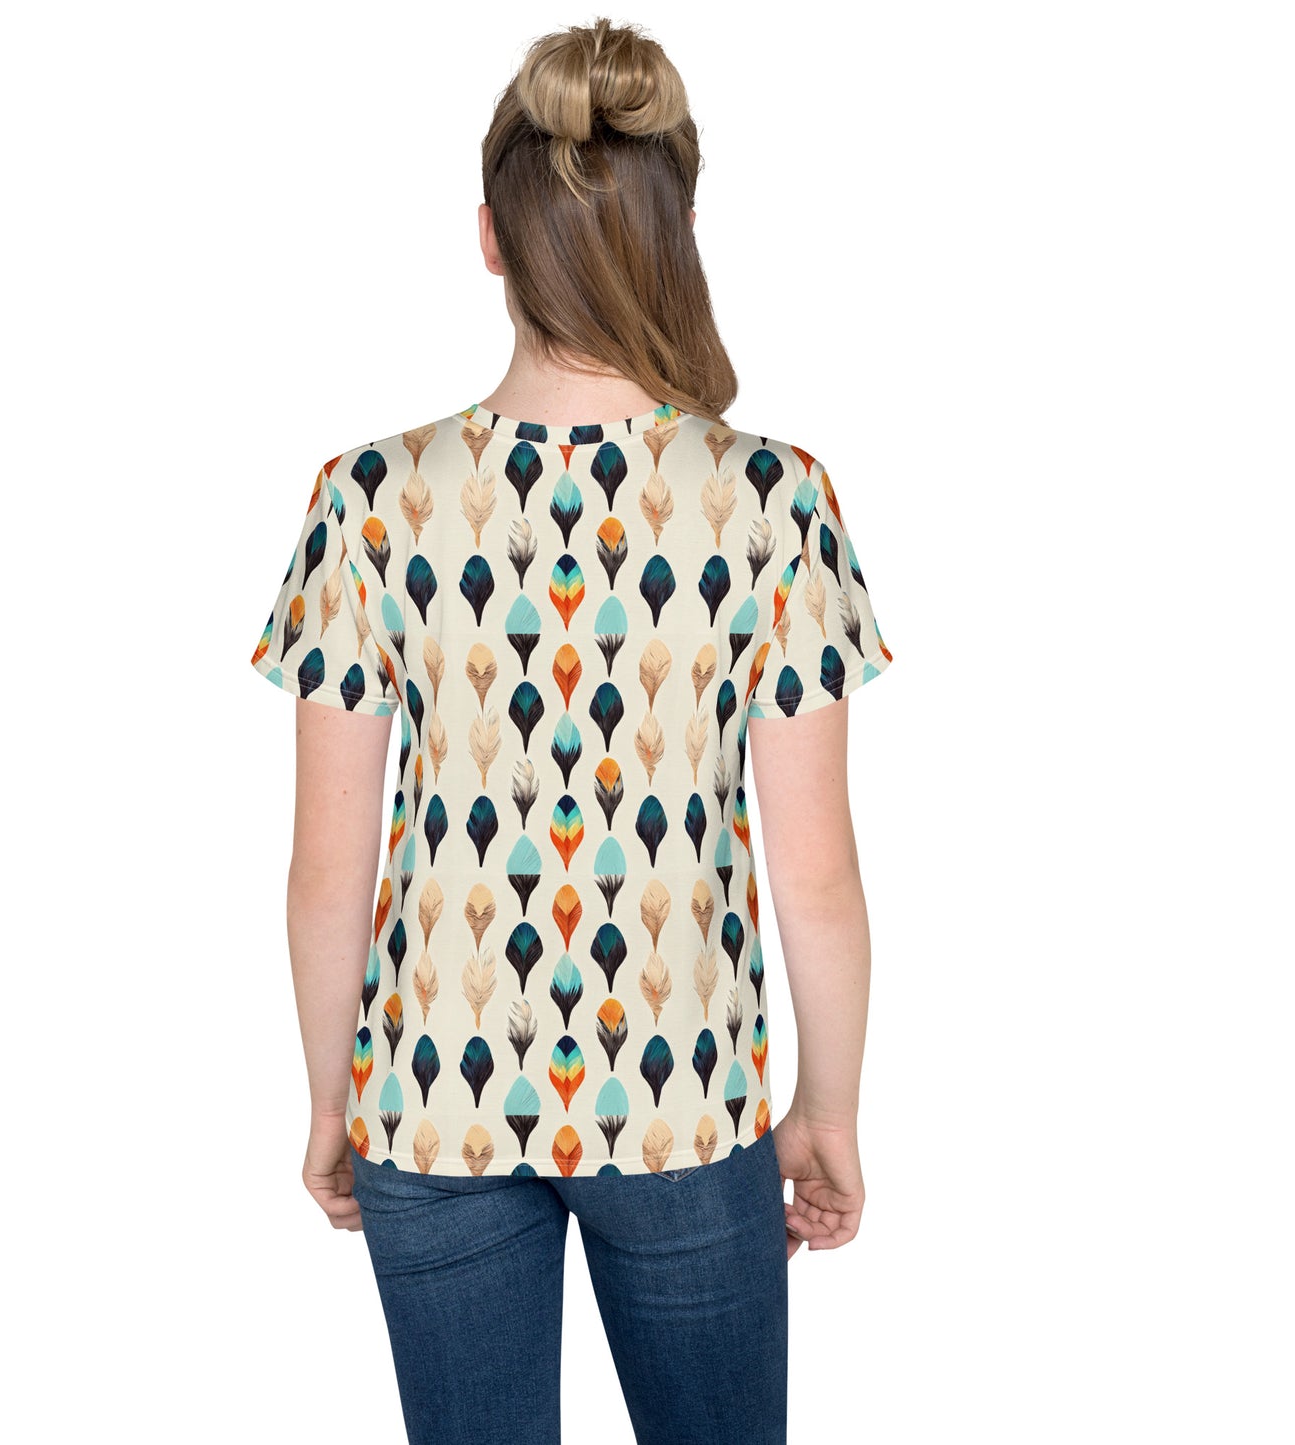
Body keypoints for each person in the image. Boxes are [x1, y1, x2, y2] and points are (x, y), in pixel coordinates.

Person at [249, 18, 894, 1445]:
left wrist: (332, 1102)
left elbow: (323, 870)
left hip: (433, 1098)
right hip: (685, 1100)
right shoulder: (773, 500)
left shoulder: (370, 500)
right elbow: (818, 872)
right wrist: (828, 1109)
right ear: (678, 228)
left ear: (490, 237)